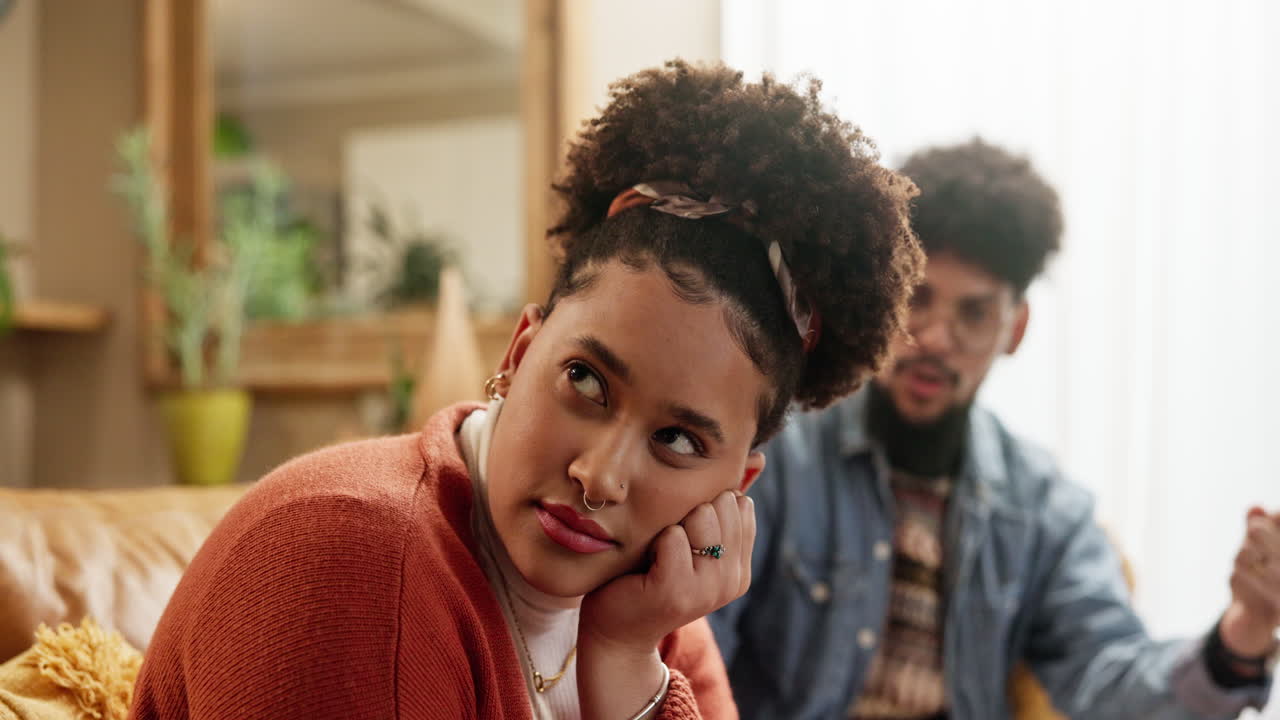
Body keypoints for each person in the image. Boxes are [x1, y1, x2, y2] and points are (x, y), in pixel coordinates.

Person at [127, 61, 924, 720]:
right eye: (586, 381)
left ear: (734, 488)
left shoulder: (654, 612)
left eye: (678, 441)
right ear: (521, 348)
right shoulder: (353, 557)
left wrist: (624, 665)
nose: (600, 475)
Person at [710, 139, 1280, 719]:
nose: (934, 337)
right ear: (884, 299)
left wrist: (1245, 631)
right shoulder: (777, 453)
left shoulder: (1042, 508)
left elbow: (1109, 683)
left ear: (1016, 328)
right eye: (918, 299)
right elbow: (696, 643)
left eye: (974, 313)